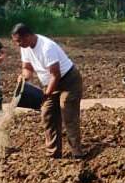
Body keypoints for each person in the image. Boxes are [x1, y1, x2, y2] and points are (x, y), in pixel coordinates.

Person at [13, 23, 85, 159]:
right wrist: (24, 78)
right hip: (51, 83)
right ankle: (54, 153)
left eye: (19, 41)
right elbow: (27, 68)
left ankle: (77, 153)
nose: (18, 44)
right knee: (47, 114)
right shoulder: (25, 47)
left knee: (68, 113)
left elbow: (55, 74)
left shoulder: (47, 47)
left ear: (27, 36)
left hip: (69, 81)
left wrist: (46, 94)